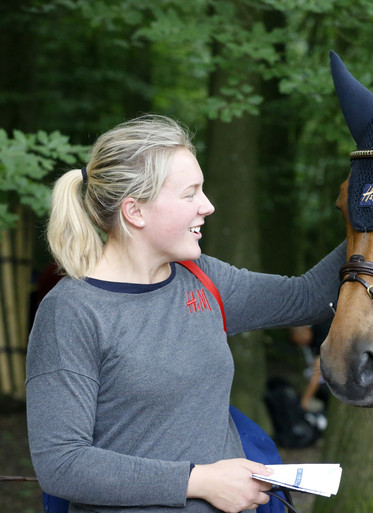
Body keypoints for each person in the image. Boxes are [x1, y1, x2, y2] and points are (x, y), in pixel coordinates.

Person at [25, 114, 345, 513]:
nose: (207, 206)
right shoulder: (71, 312)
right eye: (190, 193)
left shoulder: (202, 278)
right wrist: (202, 481)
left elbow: (309, 296)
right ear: (135, 212)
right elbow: (62, 463)